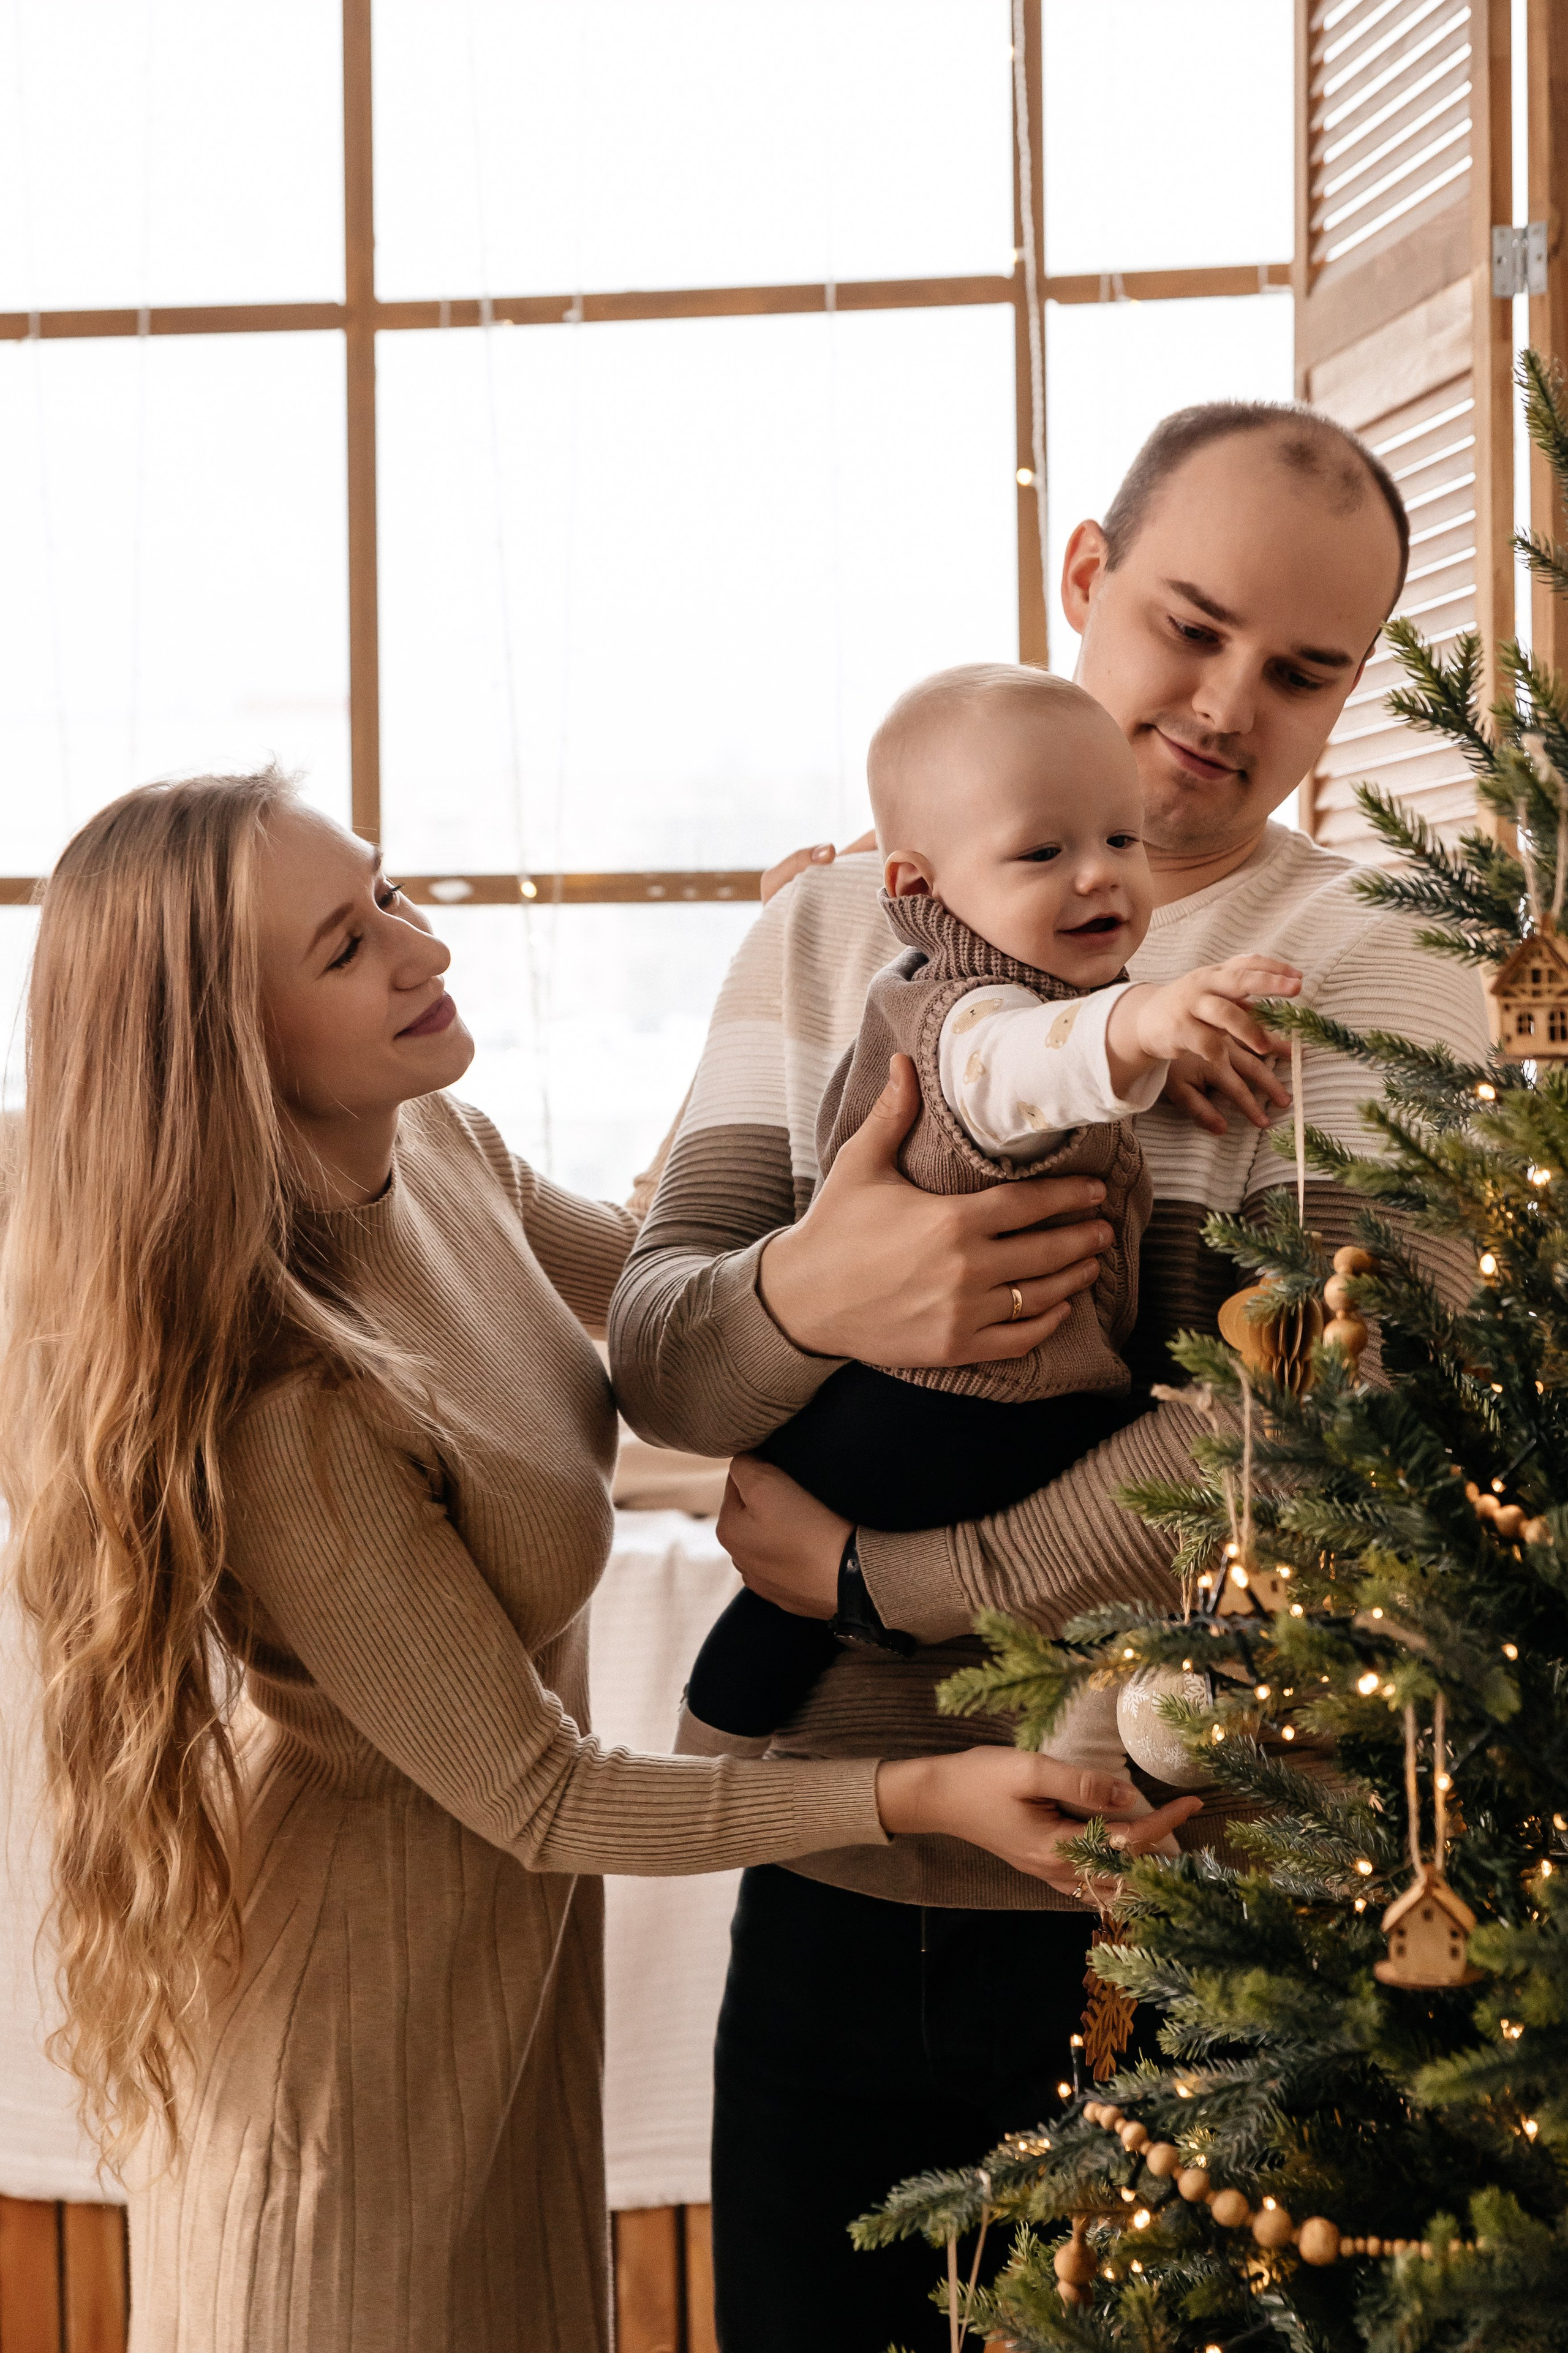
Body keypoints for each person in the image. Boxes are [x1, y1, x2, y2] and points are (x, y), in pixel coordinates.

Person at [0, 774, 1200, 2353]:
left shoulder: (441, 1151)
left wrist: (814, 970)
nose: (423, 947)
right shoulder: (288, 1396)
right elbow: (542, 1796)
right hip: (344, 2053)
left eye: (389, 892)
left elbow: (674, 1316)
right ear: (228, 1044)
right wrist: (920, 1790)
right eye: (347, 946)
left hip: (493, 1996)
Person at [608, 399, 1491, 2351]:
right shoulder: (831, 925)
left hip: (1191, 1904)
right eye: (1190, 625)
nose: (1228, 706)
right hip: (839, 1854)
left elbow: (1310, 1433)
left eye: (1303, 669)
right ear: (1087, 573)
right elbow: (665, 1358)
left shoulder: (1375, 969)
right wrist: (826, 1289)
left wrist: (886, 1581)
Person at [680, 663, 1297, 1788]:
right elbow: (1015, 1073)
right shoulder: (963, 1011)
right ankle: (694, 1776)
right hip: (945, 1412)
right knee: (1149, 1512)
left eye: (1120, 839)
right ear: (919, 883)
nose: (1100, 875)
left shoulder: (1031, 987)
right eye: (1044, 852)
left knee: (782, 1625)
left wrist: (1153, 1052)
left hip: (953, 1405)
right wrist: (1145, 1022)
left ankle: (705, 1752)